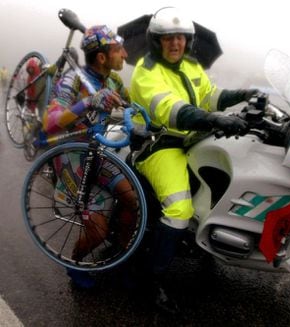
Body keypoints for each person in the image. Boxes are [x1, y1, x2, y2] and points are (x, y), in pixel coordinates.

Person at [129, 7, 257, 313]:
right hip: (160, 145)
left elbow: (210, 95)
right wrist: (215, 120)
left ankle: (204, 240)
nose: (175, 44)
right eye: (168, 38)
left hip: (193, 138)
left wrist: (246, 94)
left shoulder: (190, 65)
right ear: (156, 40)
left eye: (181, 38)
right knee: (179, 209)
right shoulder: (146, 71)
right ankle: (153, 278)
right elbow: (173, 111)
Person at [42, 25, 136, 289]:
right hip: (71, 157)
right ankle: (75, 263)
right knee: (98, 231)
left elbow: (131, 106)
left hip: (98, 154)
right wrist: (89, 102)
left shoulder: (115, 81)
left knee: (133, 201)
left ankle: (121, 256)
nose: (125, 54)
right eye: (119, 50)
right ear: (103, 57)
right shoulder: (73, 79)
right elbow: (49, 123)